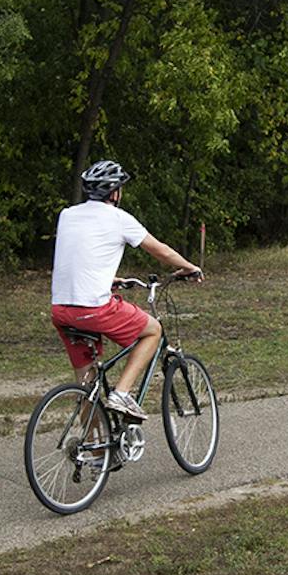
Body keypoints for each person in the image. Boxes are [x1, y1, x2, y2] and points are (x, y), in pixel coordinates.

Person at [50, 159, 202, 419]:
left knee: (88, 385)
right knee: (153, 330)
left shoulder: (67, 215)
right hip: (93, 308)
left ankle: (96, 451)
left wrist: (109, 279)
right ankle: (122, 394)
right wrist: (190, 267)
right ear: (114, 192)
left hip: (61, 310)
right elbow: (160, 250)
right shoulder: (119, 219)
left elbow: (78, 255)